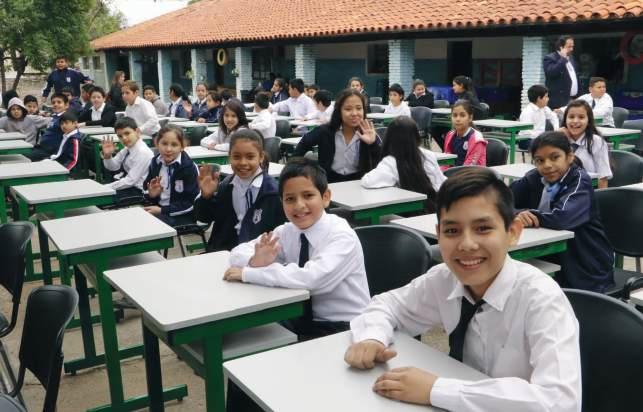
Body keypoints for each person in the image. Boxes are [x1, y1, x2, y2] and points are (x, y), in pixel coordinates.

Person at [345, 167, 581, 412]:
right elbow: (387, 305)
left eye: (483, 228)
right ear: (438, 235)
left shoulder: (542, 300)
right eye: (452, 231)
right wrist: (372, 337)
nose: (467, 244)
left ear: (512, 233)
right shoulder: (445, 279)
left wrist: (437, 390)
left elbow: (560, 402)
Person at [225, 157, 370, 339]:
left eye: (308, 196)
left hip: (344, 325)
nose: (299, 205)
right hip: (298, 316)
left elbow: (312, 279)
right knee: (244, 333)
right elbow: (237, 253)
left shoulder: (341, 236)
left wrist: (250, 273)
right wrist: (255, 261)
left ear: (325, 197)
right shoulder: (288, 231)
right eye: (290, 199)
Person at [512, 131, 614, 292]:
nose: (547, 165)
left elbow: (562, 218)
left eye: (554, 157)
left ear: (569, 156)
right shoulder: (535, 177)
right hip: (550, 257)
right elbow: (499, 200)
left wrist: (529, 216)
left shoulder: (579, 181)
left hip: (585, 266)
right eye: (540, 160)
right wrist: (517, 213)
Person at [194, 129, 286, 252]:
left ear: (261, 157)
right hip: (224, 252)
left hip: (258, 254)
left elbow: (281, 234)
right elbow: (204, 218)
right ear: (229, 157)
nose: (243, 162)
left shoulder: (274, 193)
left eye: (250, 157)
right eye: (236, 157)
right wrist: (206, 197)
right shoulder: (225, 186)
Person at [293, 88, 382, 183]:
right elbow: (304, 143)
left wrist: (373, 144)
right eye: (348, 109)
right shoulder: (325, 131)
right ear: (339, 111)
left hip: (359, 183)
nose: (354, 113)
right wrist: (296, 172)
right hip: (330, 183)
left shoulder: (368, 133)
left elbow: (382, 165)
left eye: (359, 108)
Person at [361, 116, 444, 214]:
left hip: (407, 214)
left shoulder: (391, 162)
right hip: (434, 209)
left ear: (389, 138)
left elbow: (368, 181)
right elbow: (441, 183)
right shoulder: (429, 155)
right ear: (416, 136)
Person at [142, 125, 199, 226]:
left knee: (148, 226)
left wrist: (162, 210)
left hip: (182, 215)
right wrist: (152, 195)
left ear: (182, 147)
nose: (168, 149)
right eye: (164, 143)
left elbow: (191, 203)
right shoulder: (155, 162)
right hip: (158, 208)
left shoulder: (189, 168)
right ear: (157, 143)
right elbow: (146, 188)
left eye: (174, 145)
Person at [558, 99, 611, 188]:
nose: (575, 121)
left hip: (587, 190)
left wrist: (601, 196)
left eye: (581, 117)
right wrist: (555, 137)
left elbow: (603, 177)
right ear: (565, 119)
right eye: (571, 117)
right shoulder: (559, 139)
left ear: (588, 120)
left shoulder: (596, 142)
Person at [101, 116, 154, 202]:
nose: (124, 138)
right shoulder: (128, 149)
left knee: (101, 199)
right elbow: (114, 167)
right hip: (128, 186)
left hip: (138, 192)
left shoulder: (143, 152)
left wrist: (105, 187)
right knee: (100, 196)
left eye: (127, 133)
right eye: (120, 136)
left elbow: (130, 181)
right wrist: (108, 155)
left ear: (137, 132)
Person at [443, 100, 487, 168]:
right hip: (453, 172)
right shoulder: (450, 135)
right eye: (454, 115)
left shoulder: (477, 139)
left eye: (462, 115)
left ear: (470, 118)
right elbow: (446, 162)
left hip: (472, 173)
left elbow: (468, 167)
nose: (458, 119)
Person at [25, 93, 68, 162]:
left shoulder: (66, 119)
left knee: (23, 157)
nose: (55, 104)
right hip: (41, 148)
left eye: (59, 102)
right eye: (53, 103)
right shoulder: (55, 117)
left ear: (66, 105)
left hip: (50, 152)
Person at [543, 35, 579, 109]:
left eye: (572, 46)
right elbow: (551, 73)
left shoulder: (571, 58)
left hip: (573, 99)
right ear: (561, 47)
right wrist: (563, 59)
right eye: (569, 47)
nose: (572, 49)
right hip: (559, 101)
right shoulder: (550, 58)